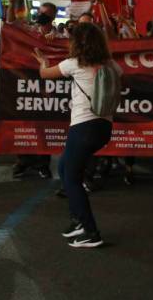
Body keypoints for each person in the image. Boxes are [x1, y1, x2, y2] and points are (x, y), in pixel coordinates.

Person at [34, 22, 119, 248]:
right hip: (103, 127)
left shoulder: (74, 64)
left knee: (71, 177)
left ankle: (91, 232)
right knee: (64, 169)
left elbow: (45, 74)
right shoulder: (111, 65)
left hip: (83, 127)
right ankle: (77, 220)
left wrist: (43, 62)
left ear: (77, 43)